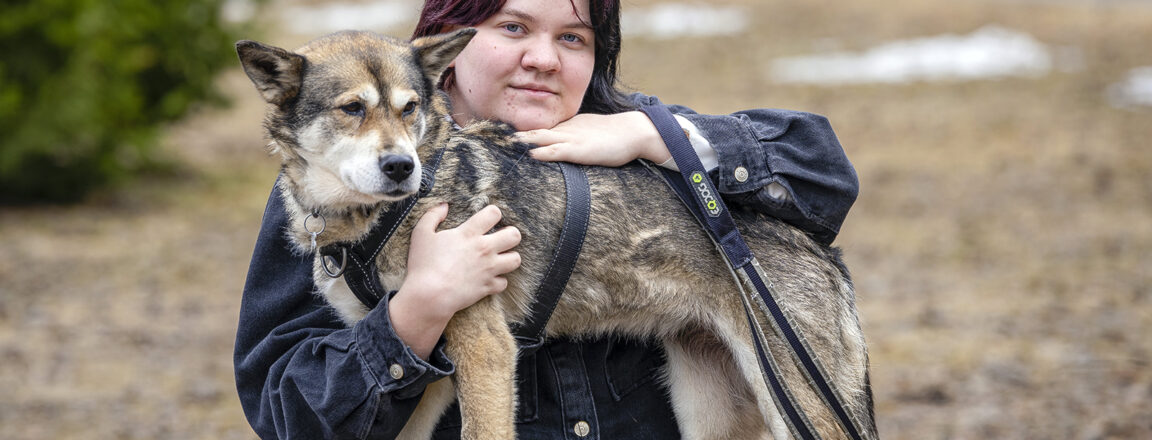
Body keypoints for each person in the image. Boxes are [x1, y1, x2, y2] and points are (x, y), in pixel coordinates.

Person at [234, 0, 859, 438]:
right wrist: (414, 314)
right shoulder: (336, 194)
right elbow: (289, 414)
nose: (544, 59)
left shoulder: (635, 132)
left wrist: (656, 133)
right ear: (451, 41)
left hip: (738, 292)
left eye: (574, 37)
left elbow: (825, 173)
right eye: (513, 27)